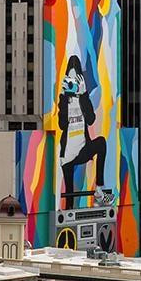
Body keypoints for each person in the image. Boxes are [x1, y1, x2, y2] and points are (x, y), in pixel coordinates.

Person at [53, 54, 108, 204]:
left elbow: (91, 120)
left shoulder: (84, 98)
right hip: (68, 155)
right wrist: (65, 99)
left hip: (82, 149)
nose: (72, 84)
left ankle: (99, 188)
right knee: (69, 198)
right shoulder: (63, 101)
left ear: (80, 80)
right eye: (69, 80)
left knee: (101, 143)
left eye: (75, 80)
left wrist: (83, 94)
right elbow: (62, 125)